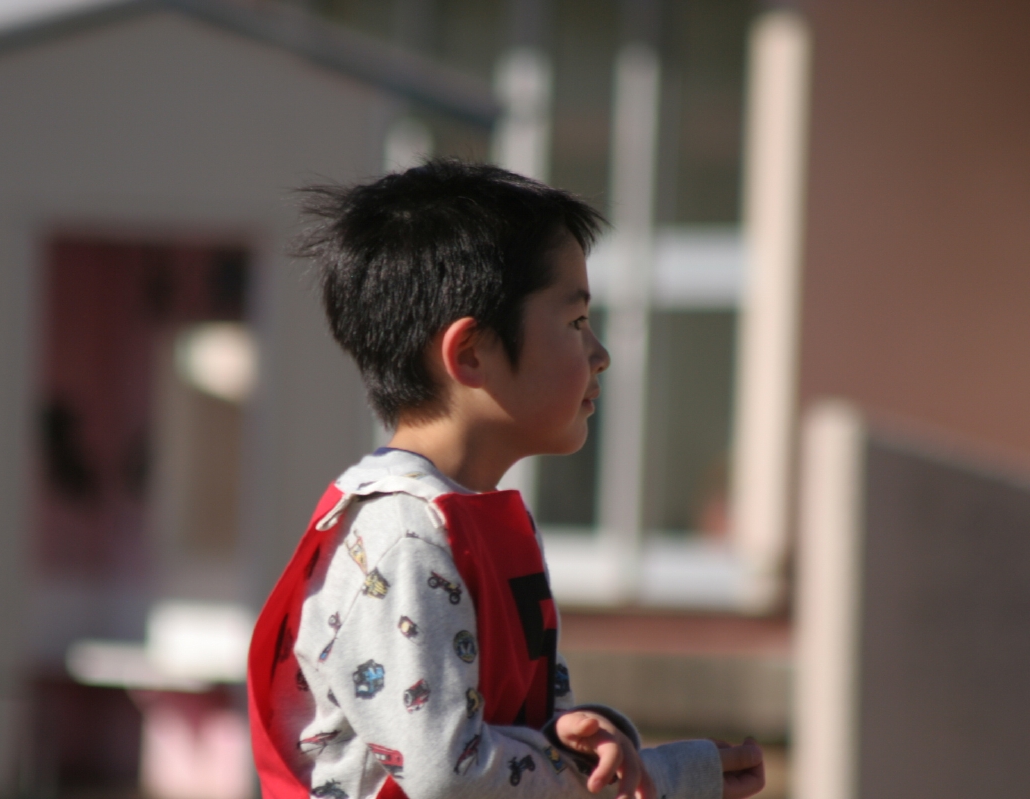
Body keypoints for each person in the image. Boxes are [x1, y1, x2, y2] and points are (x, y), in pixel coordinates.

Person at [247, 160, 766, 799]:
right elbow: (449, 776)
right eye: (575, 323)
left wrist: (592, 738)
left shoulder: (479, 523)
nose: (600, 354)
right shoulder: (403, 537)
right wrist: (659, 778)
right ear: (470, 354)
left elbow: (522, 732)